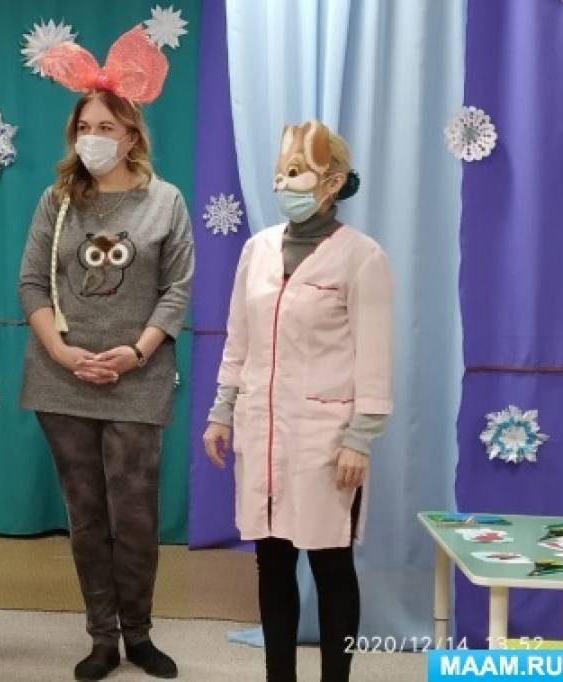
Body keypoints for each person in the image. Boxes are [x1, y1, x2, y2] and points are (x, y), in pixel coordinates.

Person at [18, 27, 194, 681]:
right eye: (84, 127)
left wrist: (135, 353)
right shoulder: (56, 200)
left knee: (134, 515)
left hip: (135, 379)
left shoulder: (165, 201)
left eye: (105, 127)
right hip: (61, 380)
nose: (92, 137)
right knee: (86, 515)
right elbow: (31, 283)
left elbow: (177, 290)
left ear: (130, 136)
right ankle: (101, 638)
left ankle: (139, 634)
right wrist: (63, 354)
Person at [202, 120, 393, 682]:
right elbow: (238, 339)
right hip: (261, 432)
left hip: (325, 441)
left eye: (296, 172)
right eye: (280, 172)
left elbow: (375, 357)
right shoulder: (257, 250)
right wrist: (220, 411)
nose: (282, 184)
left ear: (331, 182)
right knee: (272, 561)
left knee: (331, 563)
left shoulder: (362, 257)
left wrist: (361, 437)